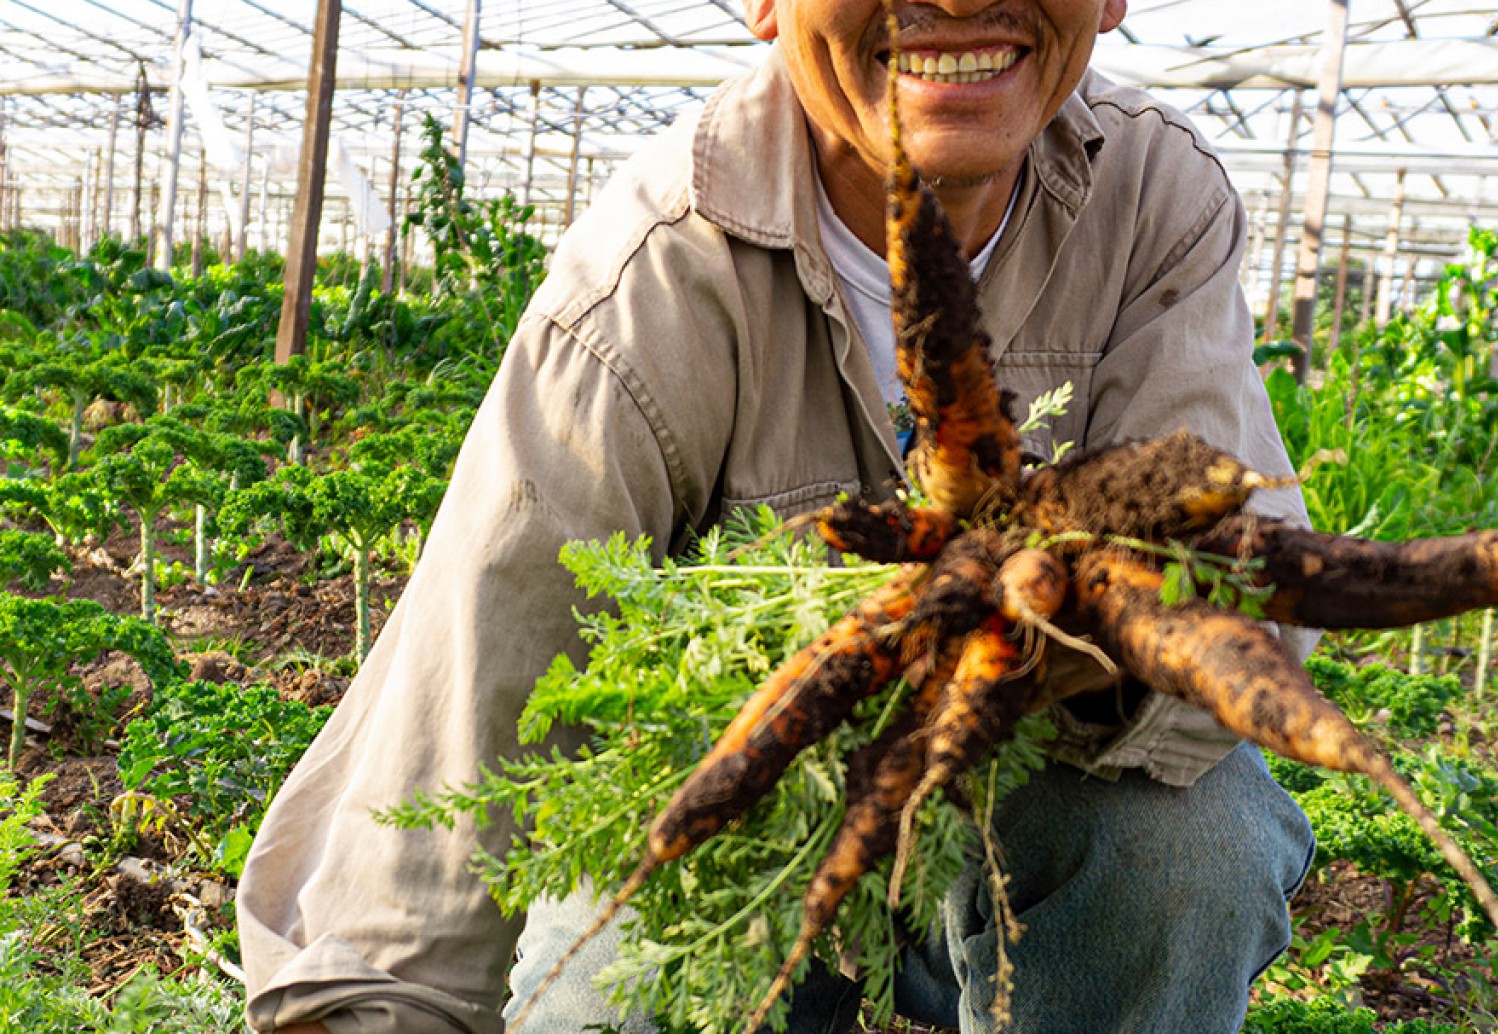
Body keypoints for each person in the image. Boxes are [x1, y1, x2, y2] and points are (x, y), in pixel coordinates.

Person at [238, 1, 1318, 1032]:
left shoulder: (1150, 194)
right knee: (612, 993)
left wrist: (1055, 638)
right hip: (729, 819)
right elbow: (485, 693)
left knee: (1190, 852)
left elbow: (1236, 593)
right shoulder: (651, 273)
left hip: (1029, 795)